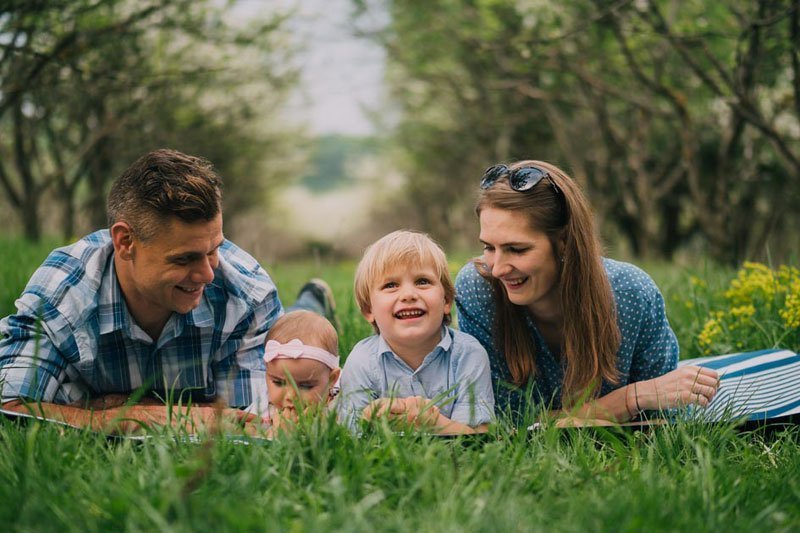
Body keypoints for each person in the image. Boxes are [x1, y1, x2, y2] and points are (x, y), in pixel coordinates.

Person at [0, 149, 336, 434]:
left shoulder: (248, 294)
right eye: (185, 258)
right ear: (125, 242)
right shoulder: (62, 292)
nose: (207, 273)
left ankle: (312, 301)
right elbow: (10, 407)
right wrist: (134, 415)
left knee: (302, 338)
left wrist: (100, 407)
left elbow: (250, 420)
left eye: (214, 249)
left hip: (279, 328)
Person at [455, 161, 719, 425]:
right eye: (488, 247)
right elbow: (503, 422)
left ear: (565, 243)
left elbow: (663, 417)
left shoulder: (632, 293)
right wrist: (630, 399)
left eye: (517, 249)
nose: (498, 268)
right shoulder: (479, 289)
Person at [339, 230, 494, 435]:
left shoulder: (469, 355)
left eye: (422, 281)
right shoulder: (362, 362)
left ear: (446, 301)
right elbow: (349, 439)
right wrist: (369, 419)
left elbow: (478, 436)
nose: (409, 295)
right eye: (391, 285)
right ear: (369, 310)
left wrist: (433, 423)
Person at [262, 310, 341, 435]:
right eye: (278, 383)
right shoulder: (263, 405)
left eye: (305, 386)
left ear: (331, 380)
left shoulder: (339, 408)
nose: (290, 396)